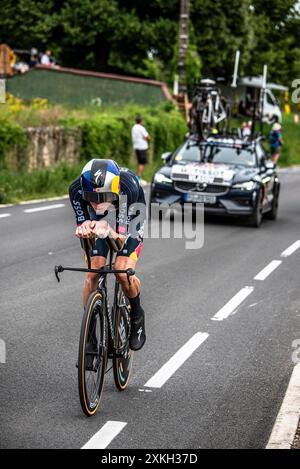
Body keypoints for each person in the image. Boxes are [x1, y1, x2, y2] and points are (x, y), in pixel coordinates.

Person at [69, 159, 146, 351]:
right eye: (91, 198)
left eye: (102, 197)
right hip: (102, 219)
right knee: (92, 273)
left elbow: (120, 241)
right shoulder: (76, 190)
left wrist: (109, 230)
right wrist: (85, 228)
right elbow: (85, 222)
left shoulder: (127, 188)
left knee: (122, 271)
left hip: (130, 213)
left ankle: (137, 314)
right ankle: (89, 335)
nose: (96, 204)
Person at [131, 115, 150, 181]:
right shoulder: (141, 128)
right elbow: (147, 137)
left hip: (136, 146)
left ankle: (138, 176)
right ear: (141, 121)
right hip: (142, 147)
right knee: (142, 163)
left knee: (139, 162)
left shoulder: (133, 127)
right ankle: (138, 177)